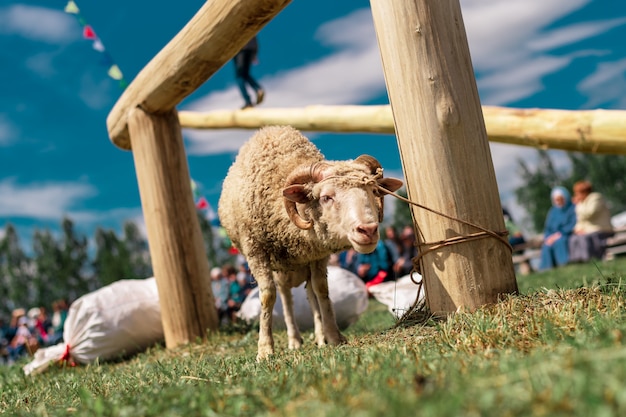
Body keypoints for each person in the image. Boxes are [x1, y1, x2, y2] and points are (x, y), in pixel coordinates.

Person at [568, 180, 614, 263]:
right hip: (589, 231)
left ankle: (590, 259)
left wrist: (578, 204)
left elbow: (590, 213)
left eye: (577, 193)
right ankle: (578, 261)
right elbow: (581, 220)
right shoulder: (583, 202)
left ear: (584, 192)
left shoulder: (596, 198)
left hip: (602, 229)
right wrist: (578, 229)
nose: (576, 195)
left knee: (585, 238)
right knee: (573, 239)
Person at [539, 186, 577, 270]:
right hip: (552, 236)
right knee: (546, 246)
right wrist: (548, 238)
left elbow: (572, 223)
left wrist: (559, 234)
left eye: (560, 199)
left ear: (565, 197)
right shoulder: (553, 211)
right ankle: (547, 269)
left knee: (560, 242)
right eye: (556, 200)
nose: (558, 202)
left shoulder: (572, 208)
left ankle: (564, 264)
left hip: (565, 234)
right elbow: (548, 227)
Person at [234, 36, 265, 109]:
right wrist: (254, 54)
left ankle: (248, 102)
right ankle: (258, 89)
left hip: (240, 49)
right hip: (251, 49)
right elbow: (254, 37)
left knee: (239, 76)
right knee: (245, 74)